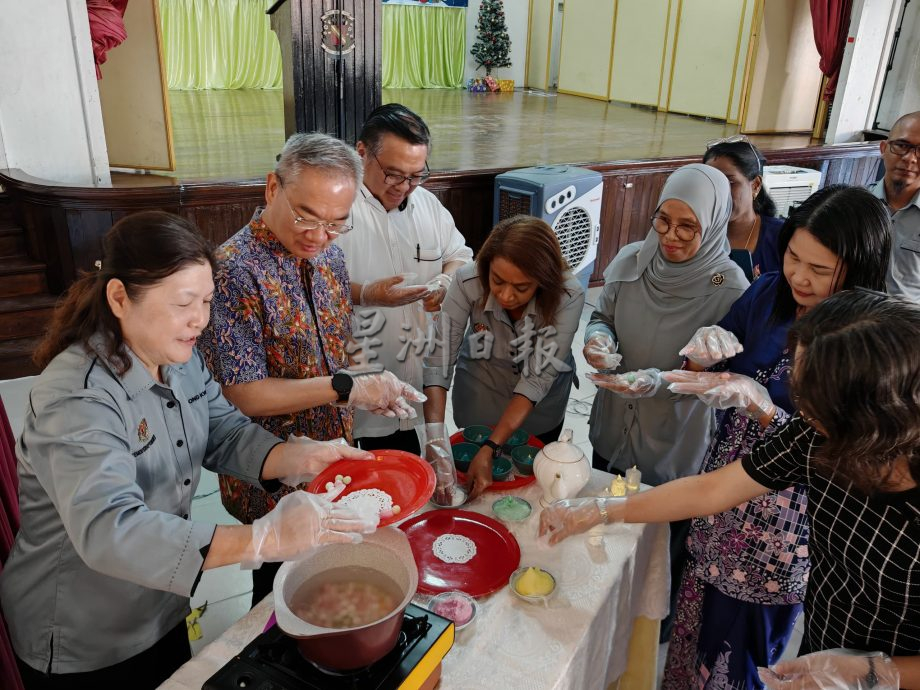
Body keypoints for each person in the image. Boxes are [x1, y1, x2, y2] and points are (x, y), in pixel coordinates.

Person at [0, 212, 380, 690]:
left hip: (162, 600)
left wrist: (298, 458)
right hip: (84, 632)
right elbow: (111, 530)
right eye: (184, 303)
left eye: (206, 301)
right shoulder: (77, 397)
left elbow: (221, 431)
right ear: (119, 297)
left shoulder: (178, 359)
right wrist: (262, 539)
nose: (199, 319)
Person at [540, 288, 920, 690]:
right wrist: (600, 509)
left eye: (814, 401)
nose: (801, 409)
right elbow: (711, 490)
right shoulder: (816, 439)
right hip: (830, 630)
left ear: (873, 414)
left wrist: (878, 673)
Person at [658, 184, 892, 689]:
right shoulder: (768, 294)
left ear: (861, 269)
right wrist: (700, 354)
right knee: (694, 619)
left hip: (788, 521)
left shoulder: (869, 345)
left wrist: (761, 407)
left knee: (742, 651)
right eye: (792, 257)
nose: (799, 277)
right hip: (724, 485)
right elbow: (704, 364)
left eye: (821, 270)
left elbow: (842, 456)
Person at [198, 132, 423, 608]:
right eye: (306, 216)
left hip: (331, 456)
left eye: (336, 224)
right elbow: (244, 394)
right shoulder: (232, 272)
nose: (318, 235)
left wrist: (365, 381)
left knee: (329, 580)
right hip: (268, 470)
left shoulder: (330, 257)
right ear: (271, 189)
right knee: (278, 587)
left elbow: (334, 341)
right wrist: (346, 389)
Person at [582, 164, 749, 640]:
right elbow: (604, 315)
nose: (670, 236)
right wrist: (597, 338)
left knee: (660, 541)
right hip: (616, 420)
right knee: (606, 522)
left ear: (714, 224)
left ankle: (647, 632)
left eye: (687, 227)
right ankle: (598, 619)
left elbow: (723, 375)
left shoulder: (730, 288)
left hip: (674, 436)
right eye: (662, 220)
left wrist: (657, 381)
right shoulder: (633, 260)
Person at [335, 103, 474, 455]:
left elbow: (459, 255)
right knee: (363, 462)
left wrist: (445, 282)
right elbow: (304, 287)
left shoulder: (427, 205)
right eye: (394, 174)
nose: (405, 187)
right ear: (361, 153)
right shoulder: (336, 211)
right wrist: (365, 294)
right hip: (362, 370)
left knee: (414, 455)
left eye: (416, 175)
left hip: (419, 364)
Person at [422, 215, 584, 499]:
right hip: (481, 388)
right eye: (497, 281)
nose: (506, 295)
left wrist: (491, 447)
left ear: (543, 282)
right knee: (473, 476)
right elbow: (439, 358)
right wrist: (435, 440)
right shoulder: (467, 281)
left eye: (522, 287)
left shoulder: (567, 294)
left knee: (531, 483)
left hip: (539, 404)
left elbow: (537, 378)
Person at [704, 137, 783, 279]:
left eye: (730, 182)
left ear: (755, 185)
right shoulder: (695, 231)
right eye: (710, 183)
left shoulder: (781, 237)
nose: (718, 193)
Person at [869, 111, 920, 302]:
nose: (910, 158)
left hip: (908, 325)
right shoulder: (856, 205)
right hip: (851, 320)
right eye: (901, 145)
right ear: (883, 148)